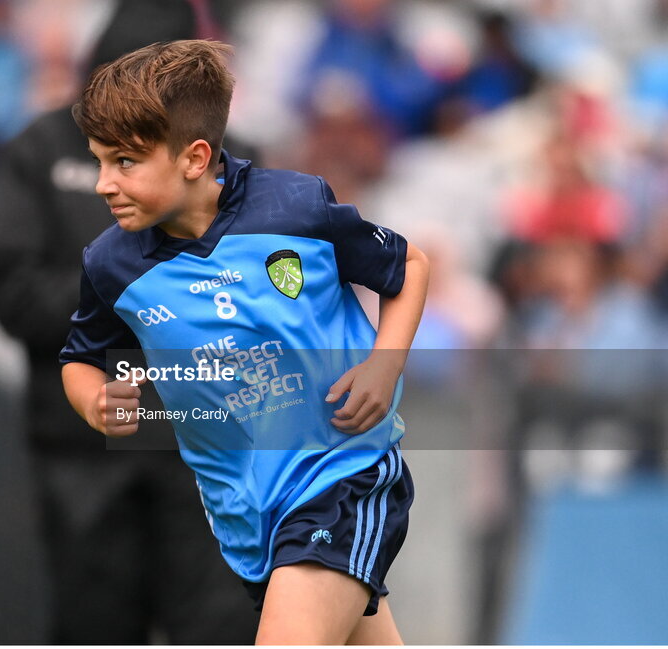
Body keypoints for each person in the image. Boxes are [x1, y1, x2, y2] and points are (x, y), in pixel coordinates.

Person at [60, 40, 429, 644]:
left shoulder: (296, 209)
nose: (104, 183)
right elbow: (78, 358)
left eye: (125, 162)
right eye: (98, 161)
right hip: (246, 518)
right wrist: (95, 400)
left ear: (195, 157)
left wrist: (384, 367)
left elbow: (409, 267)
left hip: (343, 478)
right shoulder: (111, 265)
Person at [0, 2, 259, 643]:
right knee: (94, 630)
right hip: (84, 447)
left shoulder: (235, 163)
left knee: (218, 632)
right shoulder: (45, 148)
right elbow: (12, 290)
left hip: (206, 454)